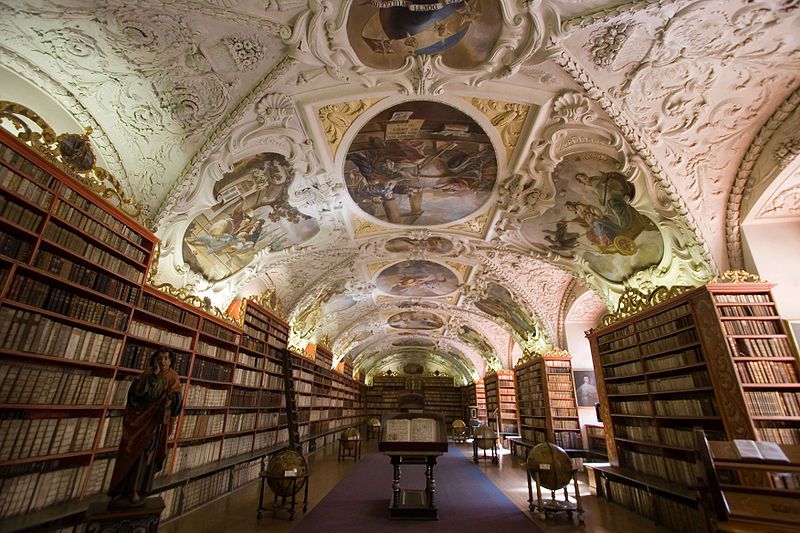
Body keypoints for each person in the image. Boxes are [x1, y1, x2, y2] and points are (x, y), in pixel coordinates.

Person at [108, 348, 182, 508]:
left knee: (145, 458)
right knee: (130, 454)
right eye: (159, 358)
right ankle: (121, 489)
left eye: (166, 358)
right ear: (154, 360)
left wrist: (170, 401)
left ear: (170, 361)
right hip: (140, 422)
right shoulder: (146, 375)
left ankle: (138, 489)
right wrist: (154, 377)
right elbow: (135, 396)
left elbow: (177, 402)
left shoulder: (173, 378)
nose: (162, 361)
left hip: (155, 424)